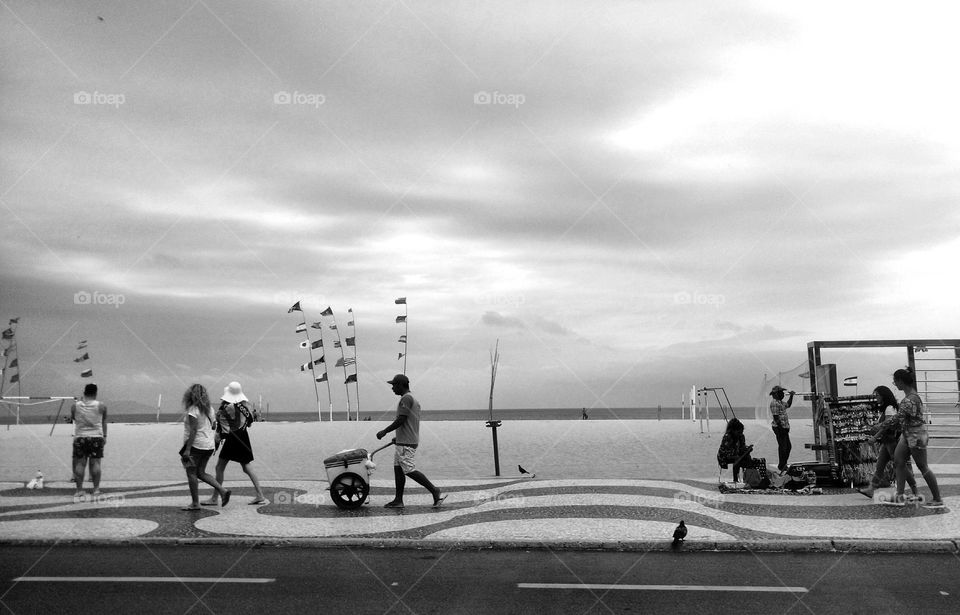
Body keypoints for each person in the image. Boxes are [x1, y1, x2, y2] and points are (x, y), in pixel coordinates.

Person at [376, 374, 445, 508]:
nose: (392, 388)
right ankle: (398, 500)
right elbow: (409, 422)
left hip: (406, 442)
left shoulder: (406, 399)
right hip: (405, 440)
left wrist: (385, 431)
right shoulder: (411, 398)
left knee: (408, 469)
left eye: (394, 385)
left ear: (401, 385)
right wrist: (399, 436)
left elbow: (401, 419)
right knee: (398, 469)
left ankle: (434, 490)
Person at [202, 382, 267, 506]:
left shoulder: (226, 408)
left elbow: (224, 431)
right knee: (246, 466)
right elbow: (250, 420)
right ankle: (260, 494)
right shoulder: (245, 405)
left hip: (233, 438)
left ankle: (215, 497)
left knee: (219, 467)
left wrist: (216, 441)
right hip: (243, 436)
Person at [886, 368, 944, 508]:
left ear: (900, 381)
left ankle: (937, 499)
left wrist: (880, 427)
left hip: (916, 435)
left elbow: (897, 419)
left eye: (895, 381)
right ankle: (899, 495)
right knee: (899, 461)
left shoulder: (910, 400)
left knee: (922, 466)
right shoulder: (911, 397)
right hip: (907, 435)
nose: (895, 384)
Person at [858, 385, 918, 499]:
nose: (876, 398)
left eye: (877, 395)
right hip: (887, 442)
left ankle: (914, 490)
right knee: (880, 465)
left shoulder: (889, 408)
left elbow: (888, 425)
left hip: (891, 442)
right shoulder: (887, 408)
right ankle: (871, 489)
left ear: (883, 396)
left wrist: (875, 437)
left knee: (900, 465)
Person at [180, 384, 230, 511]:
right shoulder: (210, 409)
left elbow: (193, 430)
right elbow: (214, 426)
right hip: (208, 445)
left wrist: (187, 449)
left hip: (196, 445)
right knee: (201, 472)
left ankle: (195, 503)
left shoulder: (193, 410)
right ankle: (222, 491)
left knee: (191, 473)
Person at [71, 383, 107, 499]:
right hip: (96, 436)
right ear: (95, 393)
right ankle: (96, 489)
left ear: (84, 392)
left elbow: (73, 418)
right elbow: (103, 422)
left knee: (80, 464)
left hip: (80, 437)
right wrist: (105, 436)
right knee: (95, 463)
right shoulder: (101, 406)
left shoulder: (75, 406)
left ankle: (79, 490)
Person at [717, 418, 754, 483]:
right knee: (737, 459)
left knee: (748, 458)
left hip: (736, 454)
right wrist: (737, 455)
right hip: (724, 457)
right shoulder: (728, 437)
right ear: (733, 430)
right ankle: (735, 480)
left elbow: (742, 447)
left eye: (742, 432)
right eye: (739, 432)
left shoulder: (741, 436)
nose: (740, 433)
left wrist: (747, 450)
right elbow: (726, 453)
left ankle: (748, 478)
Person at [769, 385, 795, 472]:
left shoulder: (780, 402)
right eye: (781, 393)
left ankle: (783, 464)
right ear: (776, 394)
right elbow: (776, 418)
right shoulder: (774, 403)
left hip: (784, 427)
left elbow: (788, 404)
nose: (783, 394)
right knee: (783, 447)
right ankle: (782, 465)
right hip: (779, 428)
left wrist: (791, 396)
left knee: (788, 447)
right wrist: (781, 429)